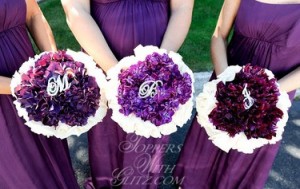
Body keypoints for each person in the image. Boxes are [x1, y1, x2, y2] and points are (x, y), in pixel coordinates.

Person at [61, 0, 194, 188]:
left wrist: (159, 65)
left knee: (148, 124)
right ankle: (107, 181)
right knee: (106, 129)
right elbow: (76, 10)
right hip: (103, 54)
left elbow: (182, 7)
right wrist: (117, 75)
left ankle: (142, 182)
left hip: (158, 53)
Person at [174, 0, 300, 188]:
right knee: (207, 144)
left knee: (243, 155)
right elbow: (219, 35)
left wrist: (265, 93)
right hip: (227, 82)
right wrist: (226, 82)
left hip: (272, 96)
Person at [0, 0, 79, 188]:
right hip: (6, 104)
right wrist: (27, 86)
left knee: (56, 162)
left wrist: (54, 64)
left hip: (37, 91)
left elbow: (33, 14)